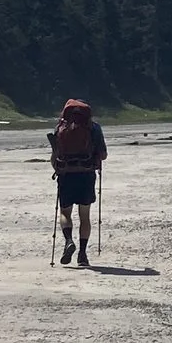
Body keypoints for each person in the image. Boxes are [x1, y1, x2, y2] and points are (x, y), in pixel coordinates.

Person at [49, 97, 107, 266]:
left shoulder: (60, 127)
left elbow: (55, 155)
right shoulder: (94, 128)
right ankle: (82, 254)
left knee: (65, 213)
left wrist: (57, 169)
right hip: (86, 174)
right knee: (85, 216)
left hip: (66, 175)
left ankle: (68, 241)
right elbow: (103, 154)